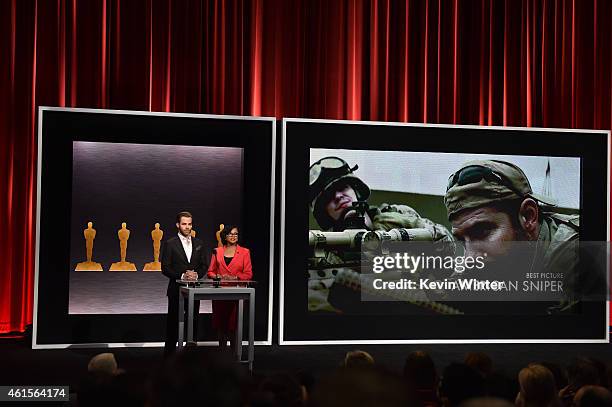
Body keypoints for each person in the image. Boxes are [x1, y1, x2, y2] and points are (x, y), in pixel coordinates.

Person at [308, 156, 455, 313]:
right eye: (329, 197)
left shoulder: (398, 216)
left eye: (343, 188)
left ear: (356, 190)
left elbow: (446, 248)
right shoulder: (323, 253)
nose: (338, 196)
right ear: (324, 212)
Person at [444, 160, 581, 313]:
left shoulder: (579, 255)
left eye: (482, 232)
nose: (471, 258)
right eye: (462, 241)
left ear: (528, 217)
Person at [161, 211, 210, 355]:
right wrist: (182, 275)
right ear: (178, 225)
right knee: (173, 324)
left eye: (189, 224)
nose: (187, 227)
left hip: (194, 290)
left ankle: (191, 360)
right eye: (184, 224)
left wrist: (196, 275)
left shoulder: (199, 243)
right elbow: (165, 267)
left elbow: (203, 265)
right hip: (176, 290)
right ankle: (168, 359)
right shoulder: (170, 244)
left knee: (193, 323)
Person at [207, 225, 253, 351]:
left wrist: (235, 278)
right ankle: (221, 355)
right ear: (225, 236)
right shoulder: (217, 251)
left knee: (234, 326)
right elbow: (210, 272)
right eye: (231, 234)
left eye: (236, 234)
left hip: (237, 293)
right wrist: (217, 276)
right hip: (219, 293)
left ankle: (235, 356)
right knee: (221, 326)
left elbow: (248, 274)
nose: (233, 236)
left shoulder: (245, 252)